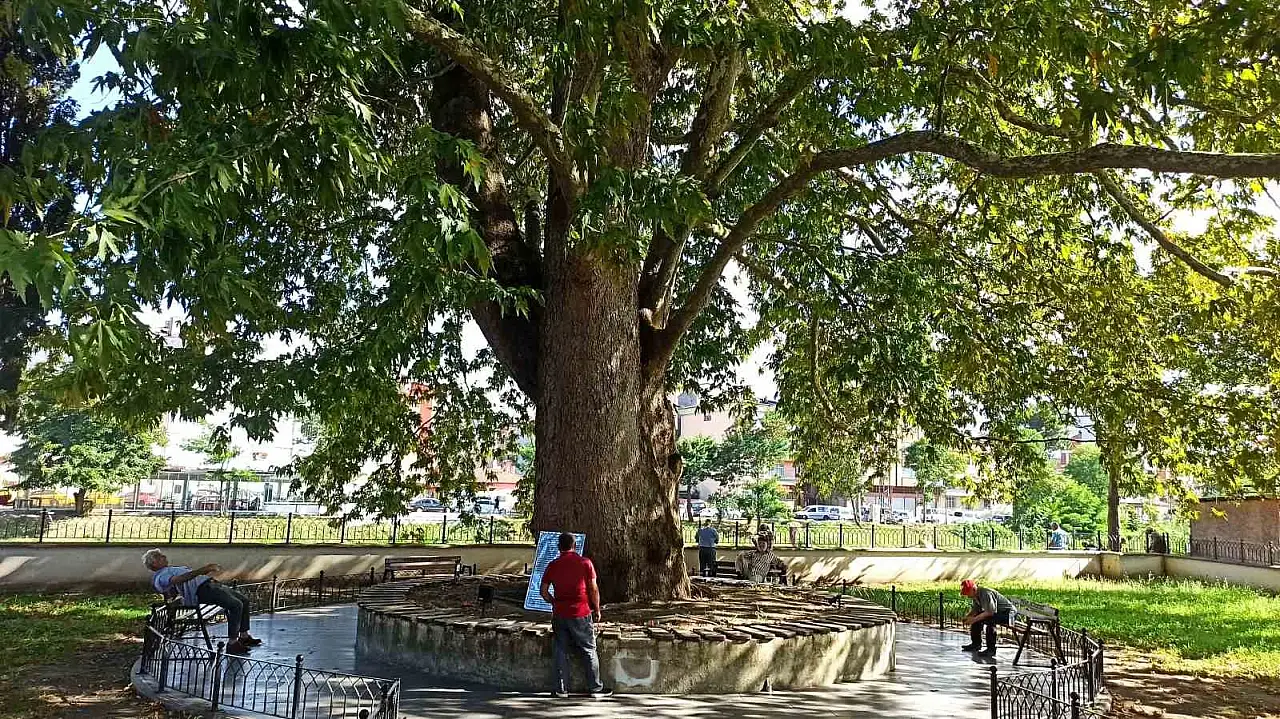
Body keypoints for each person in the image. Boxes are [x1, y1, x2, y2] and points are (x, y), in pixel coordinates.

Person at [143, 549, 262, 654]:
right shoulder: (161, 576)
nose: (164, 557)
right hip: (202, 589)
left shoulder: (169, 570)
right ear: (154, 563)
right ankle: (232, 643)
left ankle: (244, 636)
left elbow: (186, 579)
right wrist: (203, 569)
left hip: (210, 584)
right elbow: (180, 579)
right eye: (160, 556)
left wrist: (205, 571)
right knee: (236, 605)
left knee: (243, 600)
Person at [539, 533, 610, 698]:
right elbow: (593, 588)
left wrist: (554, 602)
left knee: (560, 650)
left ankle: (561, 689)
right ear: (575, 546)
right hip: (581, 612)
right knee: (588, 649)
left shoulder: (552, 565)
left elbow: (543, 591)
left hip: (560, 613)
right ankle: (595, 688)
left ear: (559, 547)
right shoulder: (585, 563)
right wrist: (597, 609)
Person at [960, 579, 1015, 658]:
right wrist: (967, 617)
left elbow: (990, 612)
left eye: (967, 593)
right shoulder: (975, 595)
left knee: (990, 621)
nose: (967, 596)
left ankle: (991, 650)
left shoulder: (985, 593)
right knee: (978, 618)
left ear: (973, 589)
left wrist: (973, 619)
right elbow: (976, 610)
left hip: (1009, 614)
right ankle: (976, 644)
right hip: (996, 613)